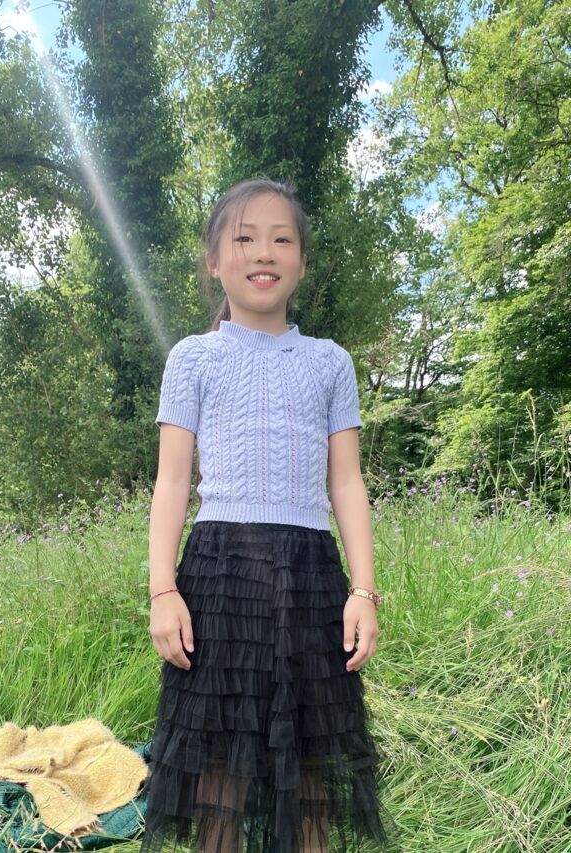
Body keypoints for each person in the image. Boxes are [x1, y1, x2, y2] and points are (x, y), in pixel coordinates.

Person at [139, 177, 396, 853]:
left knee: (309, 754)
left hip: (311, 574)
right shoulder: (192, 358)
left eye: (282, 239)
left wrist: (363, 591)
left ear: (302, 262)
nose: (263, 252)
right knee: (219, 761)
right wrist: (163, 591)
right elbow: (172, 481)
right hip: (218, 573)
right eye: (244, 238)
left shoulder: (330, 363)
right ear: (214, 261)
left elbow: (347, 481)